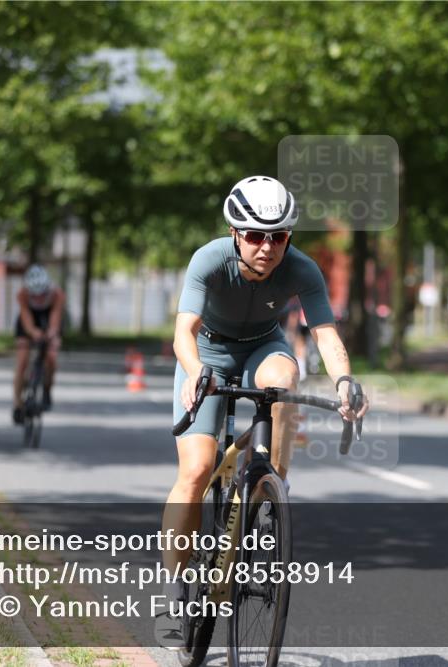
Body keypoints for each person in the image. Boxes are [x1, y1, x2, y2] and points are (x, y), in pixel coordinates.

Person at [156, 175, 369, 648]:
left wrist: (344, 381)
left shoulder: (302, 269)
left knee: (283, 381)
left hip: (262, 348)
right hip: (207, 354)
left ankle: (273, 486)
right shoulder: (209, 259)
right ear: (235, 233)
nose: (267, 247)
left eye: (279, 236)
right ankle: (173, 591)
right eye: (255, 235)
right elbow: (183, 332)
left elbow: (326, 334)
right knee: (196, 469)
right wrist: (196, 372)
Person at [12, 264, 65, 424]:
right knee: (22, 361)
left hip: (48, 318)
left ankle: (47, 390)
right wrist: (33, 332)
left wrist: (52, 333)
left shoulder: (57, 294)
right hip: (29, 319)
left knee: (51, 357)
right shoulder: (22, 294)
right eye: (34, 295)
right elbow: (26, 319)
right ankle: (18, 404)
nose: (39, 298)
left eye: (42, 294)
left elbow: (55, 318)